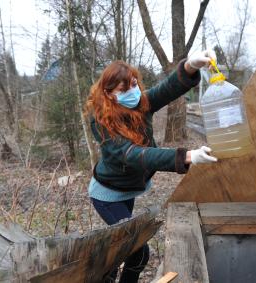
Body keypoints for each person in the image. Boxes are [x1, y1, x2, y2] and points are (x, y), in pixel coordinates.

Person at [83, 50, 218, 283]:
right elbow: (132, 155)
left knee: (120, 247)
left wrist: (190, 66)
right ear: (109, 93)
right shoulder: (102, 121)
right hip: (107, 195)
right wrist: (185, 156)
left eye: (134, 84)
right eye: (123, 90)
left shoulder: (139, 104)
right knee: (138, 252)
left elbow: (166, 89)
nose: (132, 92)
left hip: (128, 189)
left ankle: (104, 276)